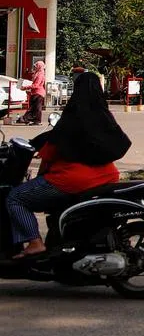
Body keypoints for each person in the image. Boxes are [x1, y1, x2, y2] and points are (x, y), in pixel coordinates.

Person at [6, 72, 125, 259]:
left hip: (72, 180)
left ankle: (34, 243)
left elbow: (49, 154)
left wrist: (40, 175)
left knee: (16, 197)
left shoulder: (72, 117)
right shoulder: (104, 116)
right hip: (108, 177)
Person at [17, 61, 46, 125]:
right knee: (35, 108)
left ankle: (30, 119)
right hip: (35, 93)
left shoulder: (40, 75)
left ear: (39, 67)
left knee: (35, 108)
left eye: (36, 66)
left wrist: (25, 87)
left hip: (38, 93)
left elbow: (36, 85)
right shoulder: (37, 73)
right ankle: (33, 120)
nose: (34, 67)